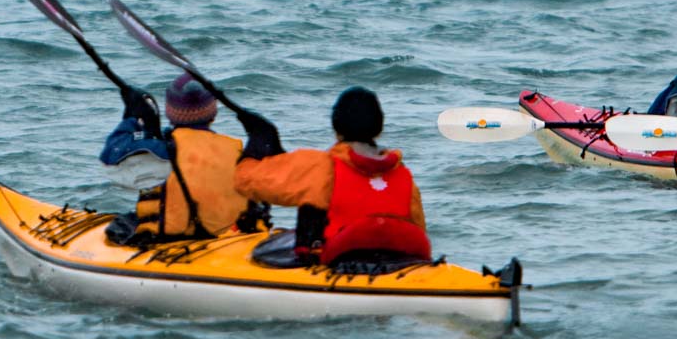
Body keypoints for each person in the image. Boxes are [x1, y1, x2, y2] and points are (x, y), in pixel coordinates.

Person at [233, 86, 431, 269]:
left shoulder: (320, 166)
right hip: (400, 264)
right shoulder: (402, 174)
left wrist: (260, 140)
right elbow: (418, 230)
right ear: (378, 127)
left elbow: (243, 179)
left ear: (336, 128)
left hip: (337, 260)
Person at [100, 75, 258, 245]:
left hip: (169, 240)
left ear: (170, 111)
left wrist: (132, 119)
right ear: (213, 111)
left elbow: (111, 155)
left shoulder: (159, 150)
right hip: (228, 240)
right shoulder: (238, 150)